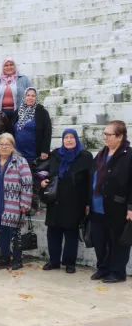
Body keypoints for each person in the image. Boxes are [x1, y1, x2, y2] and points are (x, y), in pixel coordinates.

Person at [39, 129, 93, 274]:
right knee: (53, 232)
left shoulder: (85, 156)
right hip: (55, 200)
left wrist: (88, 202)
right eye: (66, 137)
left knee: (71, 234)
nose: (69, 140)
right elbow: (47, 172)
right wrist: (44, 182)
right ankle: (54, 261)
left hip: (75, 201)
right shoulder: (56, 154)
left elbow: (90, 181)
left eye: (71, 137)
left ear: (76, 139)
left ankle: (69, 263)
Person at [89, 121, 132, 283]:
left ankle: (117, 272)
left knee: (118, 242)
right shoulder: (101, 154)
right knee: (100, 241)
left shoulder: (128, 155)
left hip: (118, 207)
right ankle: (103, 268)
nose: (105, 137)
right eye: (104, 134)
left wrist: (131, 207)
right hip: (97, 207)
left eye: (109, 134)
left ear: (120, 136)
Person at [0, 133, 33, 271]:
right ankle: (5, 257)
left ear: (12, 146)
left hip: (13, 203)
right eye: (1, 144)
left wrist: (25, 203)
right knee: (1, 231)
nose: (4, 147)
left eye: (8, 144)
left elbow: (27, 184)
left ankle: (17, 258)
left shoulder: (20, 161)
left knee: (14, 232)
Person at [13, 87, 52, 213]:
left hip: (32, 153)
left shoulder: (41, 112)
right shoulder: (18, 112)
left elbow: (47, 131)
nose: (30, 98)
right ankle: (20, 204)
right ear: (24, 97)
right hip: (18, 152)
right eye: (28, 95)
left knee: (31, 180)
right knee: (19, 180)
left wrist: (45, 150)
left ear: (36, 98)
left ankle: (33, 205)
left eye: (33, 96)